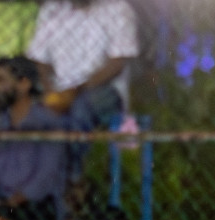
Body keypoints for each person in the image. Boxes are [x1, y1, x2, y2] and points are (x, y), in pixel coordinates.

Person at [0, 57, 66, 220]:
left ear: (24, 84)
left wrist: (16, 199)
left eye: (2, 80)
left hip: (35, 204)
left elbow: (46, 174)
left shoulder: (47, 122)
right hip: (2, 200)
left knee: (8, 219)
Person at [27, 0, 138, 128]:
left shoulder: (118, 8)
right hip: (59, 89)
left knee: (80, 106)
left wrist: (75, 91)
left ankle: (66, 146)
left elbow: (116, 65)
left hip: (102, 90)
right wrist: (49, 91)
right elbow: (39, 60)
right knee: (27, 107)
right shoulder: (52, 9)